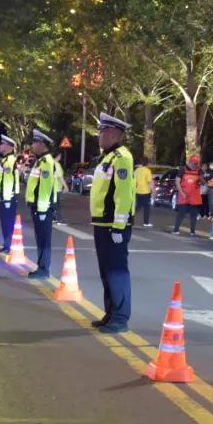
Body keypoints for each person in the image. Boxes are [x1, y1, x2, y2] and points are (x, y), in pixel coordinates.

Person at [90, 113, 135, 334]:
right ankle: (110, 313)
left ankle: (120, 317)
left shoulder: (122, 158)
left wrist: (119, 225)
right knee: (106, 271)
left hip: (113, 225)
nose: (100, 135)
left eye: (103, 131)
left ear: (114, 133)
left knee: (117, 272)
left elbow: (124, 194)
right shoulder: (106, 158)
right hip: (101, 223)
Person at [25, 129, 59, 279]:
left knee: (44, 239)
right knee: (40, 238)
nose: (32, 146)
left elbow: (45, 188)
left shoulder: (46, 162)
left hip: (42, 207)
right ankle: (41, 267)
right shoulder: (40, 161)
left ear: (41, 144)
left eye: (34, 143)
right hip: (38, 206)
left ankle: (44, 269)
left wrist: (43, 210)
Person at [0, 135, 20, 253]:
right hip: (3, 195)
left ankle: (9, 246)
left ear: (9, 147)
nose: (0, 146)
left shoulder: (10, 161)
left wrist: (7, 198)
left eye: (2, 144)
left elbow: (9, 181)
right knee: (4, 222)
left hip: (8, 196)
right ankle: (6, 244)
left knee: (8, 222)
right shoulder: (4, 160)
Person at [171, 155, 203, 236]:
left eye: (196, 164)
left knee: (193, 215)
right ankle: (176, 230)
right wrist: (181, 193)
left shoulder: (199, 171)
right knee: (181, 214)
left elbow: (202, 182)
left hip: (194, 197)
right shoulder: (182, 169)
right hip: (184, 196)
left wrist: (202, 180)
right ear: (189, 162)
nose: (194, 165)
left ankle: (192, 231)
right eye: (193, 163)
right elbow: (177, 182)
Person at [133, 157, 154, 227]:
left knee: (138, 207)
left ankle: (130, 220)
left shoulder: (136, 170)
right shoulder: (147, 171)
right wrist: (153, 191)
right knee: (147, 208)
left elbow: (133, 181)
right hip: (145, 192)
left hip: (137, 191)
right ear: (147, 163)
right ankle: (146, 222)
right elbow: (150, 182)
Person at [52, 159, 67, 225]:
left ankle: (53, 218)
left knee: (52, 203)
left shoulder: (47, 162)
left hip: (49, 187)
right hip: (56, 187)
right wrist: (65, 186)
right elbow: (60, 176)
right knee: (57, 204)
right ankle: (60, 219)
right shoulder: (56, 164)